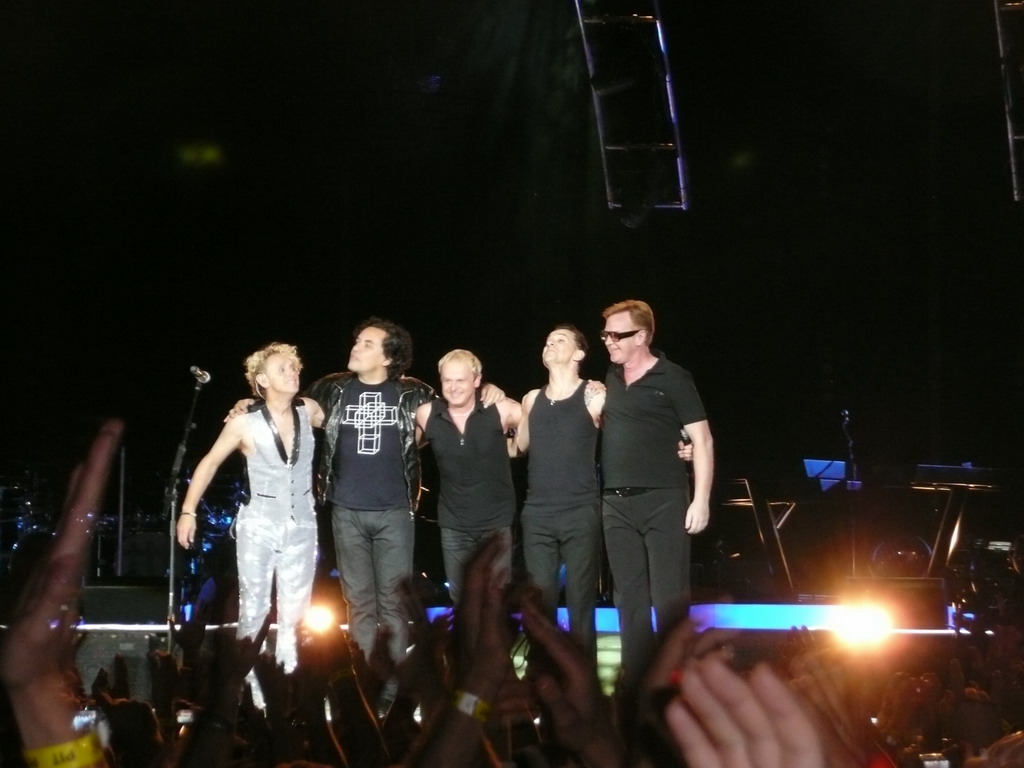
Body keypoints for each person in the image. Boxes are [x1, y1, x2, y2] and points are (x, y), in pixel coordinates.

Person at [177, 342, 324, 684]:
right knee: (254, 606)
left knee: (297, 612)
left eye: (294, 367)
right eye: (282, 369)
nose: (292, 372)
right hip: (259, 522)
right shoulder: (245, 423)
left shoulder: (309, 409)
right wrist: (188, 511)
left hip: (302, 521)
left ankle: (289, 687)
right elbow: (210, 462)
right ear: (262, 380)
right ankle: (245, 690)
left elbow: (342, 420)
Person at [599, 299, 714, 689]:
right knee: (627, 599)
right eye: (605, 334)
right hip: (616, 503)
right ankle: (637, 685)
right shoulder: (610, 377)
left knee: (669, 598)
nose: (609, 341)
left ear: (642, 336)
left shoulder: (673, 377)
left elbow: (701, 439)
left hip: (663, 499)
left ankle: (675, 684)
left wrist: (701, 499)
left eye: (617, 335)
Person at [516, 325, 604, 657]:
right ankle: (542, 677)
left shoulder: (594, 395)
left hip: (580, 510)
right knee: (540, 604)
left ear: (579, 353)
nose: (550, 343)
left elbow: (625, 433)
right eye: (548, 340)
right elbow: (518, 446)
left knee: (581, 602)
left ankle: (584, 681)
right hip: (538, 512)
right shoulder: (531, 399)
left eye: (560, 340)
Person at [415, 349, 521, 605]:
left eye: (460, 380)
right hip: (454, 524)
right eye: (447, 380)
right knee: (462, 603)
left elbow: (538, 426)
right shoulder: (427, 413)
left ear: (476, 380)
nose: (453, 387)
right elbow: (404, 449)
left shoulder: (501, 409)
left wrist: (512, 448)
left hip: (496, 523)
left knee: (495, 603)